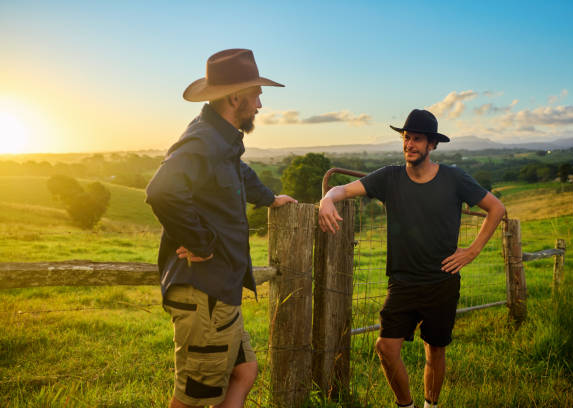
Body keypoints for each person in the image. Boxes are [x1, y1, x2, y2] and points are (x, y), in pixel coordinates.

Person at [318, 109, 505, 408]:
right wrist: (327, 199)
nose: (409, 145)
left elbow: (496, 208)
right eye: (406, 138)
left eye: (417, 139)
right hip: (402, 283)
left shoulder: (454, 178)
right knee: (385, 348)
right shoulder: (390, 177)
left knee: (436, 351)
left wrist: (471, 251)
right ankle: (406, 406)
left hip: (442, 282)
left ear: (432, 145)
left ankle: (431, 405)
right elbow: (343, 188)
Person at [146, 49, 296, 408]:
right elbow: (161, 189)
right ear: (235, 97)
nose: (260, 103)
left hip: (219, 291)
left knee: (244, 372)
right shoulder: (204, 140)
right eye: (256, 94)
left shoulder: (222, 141)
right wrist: (201, 242)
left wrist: (270, 198)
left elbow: (238, 173)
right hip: (204, 294)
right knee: (195, 399)